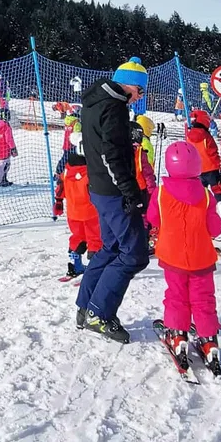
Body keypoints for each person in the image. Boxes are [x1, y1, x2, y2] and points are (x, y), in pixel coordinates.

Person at [75, 58, 152, 343]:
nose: (139, 98)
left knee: (111, 247)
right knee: (134, 254)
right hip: (113, 191)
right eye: (140, 91)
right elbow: (112, 155)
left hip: (99, 188)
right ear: (129, 85)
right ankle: (99, 313)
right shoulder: (114, 107)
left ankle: (85, 306)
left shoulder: (96, 100)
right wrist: (129, 190)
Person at [145, 140, 221, 375]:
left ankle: (177, 335)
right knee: (203, 299)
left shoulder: (160, 193)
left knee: (177, 296)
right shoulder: (207, 195)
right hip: (202, 258)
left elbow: (153, 218)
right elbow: (214, 229)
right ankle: (209, 340)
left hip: (173, 256)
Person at [59, 130, 100, 278]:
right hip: (91, 213)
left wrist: (58, 202)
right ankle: (96, 268)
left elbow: (60, 187)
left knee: (77, 236)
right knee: (95, 238)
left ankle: (74, 264)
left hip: (73, 212)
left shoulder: (67, 170)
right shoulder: (92, 170)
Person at [186, 109, 221, 213]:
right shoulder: (206, 136)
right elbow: (213, 152)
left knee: (199, 193)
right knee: (218, 190)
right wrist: (220, 167)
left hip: (196, 170)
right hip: (211, 169)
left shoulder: (188, 136)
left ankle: (199, 212)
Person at [0, 107, 17, 187]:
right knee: (5, 164)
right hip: (6, 148)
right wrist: (13, 148)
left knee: (3, 163)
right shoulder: (6, 126)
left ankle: (2, 179)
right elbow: (9, 139)